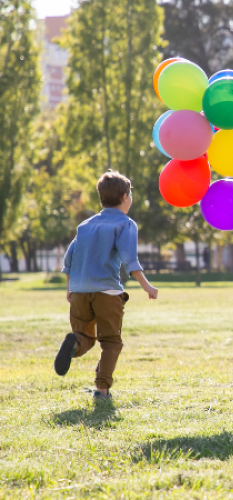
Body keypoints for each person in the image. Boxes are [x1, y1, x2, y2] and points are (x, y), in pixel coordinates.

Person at [54, 171, 158, 400]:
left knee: (84, 337)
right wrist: (148, 287)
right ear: (124, 197)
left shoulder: (85, 225)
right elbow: (130, 261)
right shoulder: (125, 224)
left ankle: (74, 343)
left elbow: (68, 260)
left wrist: (70, 288)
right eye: (130, 195)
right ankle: (101, 390)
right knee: (110, 341)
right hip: (107, 292)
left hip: (80, 291)